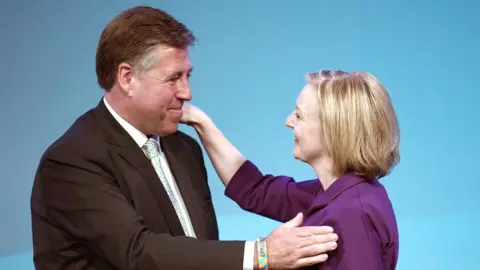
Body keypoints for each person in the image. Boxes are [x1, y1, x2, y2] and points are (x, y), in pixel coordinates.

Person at [29, 6, 340, 270]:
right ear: (127, 78)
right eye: (173, 78)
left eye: (187, 76)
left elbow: (206, 245)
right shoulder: (73, 160)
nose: (187, 92)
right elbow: (137, 252)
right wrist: (261, 255)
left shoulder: (184, 148)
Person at [181, 69, 400, 269]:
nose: (288, 122)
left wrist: (265, 258)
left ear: (333, 130)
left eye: (299, 115)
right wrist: (200, 122)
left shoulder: (353, 214)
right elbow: (255, 190)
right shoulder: (332, 193)